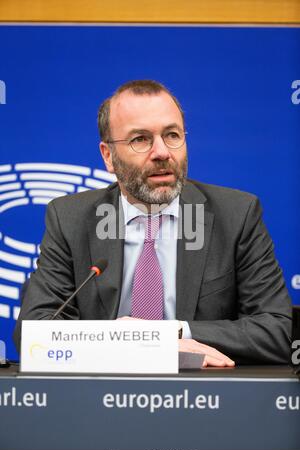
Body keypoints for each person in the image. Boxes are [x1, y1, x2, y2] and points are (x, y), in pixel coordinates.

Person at [14, 79, 292, 366]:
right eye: (140, 139)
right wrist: (122, 341)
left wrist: (171, 334)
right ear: (108, 156)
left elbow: (276, 331)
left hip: (204, 400)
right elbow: (34, 332)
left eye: (172, 135)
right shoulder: (70, 219)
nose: (162, 152)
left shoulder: (236, 215)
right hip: (99, 400)